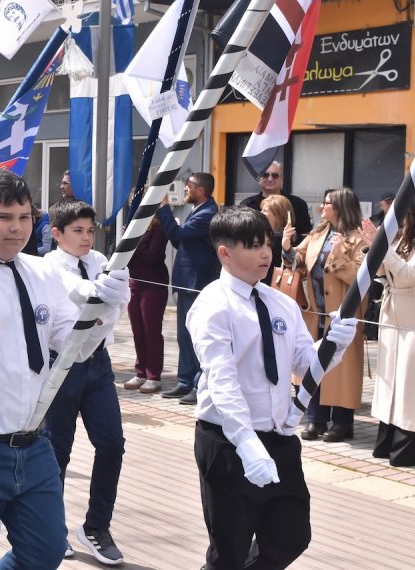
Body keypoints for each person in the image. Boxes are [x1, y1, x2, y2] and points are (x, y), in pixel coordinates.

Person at [0, 170, 129, 570]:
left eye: (25, 217)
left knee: (45, 552)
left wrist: (108, 311)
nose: (16, 228)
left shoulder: (43, 273)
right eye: (3, 217)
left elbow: (74, 348)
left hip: (34, 445)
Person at [189, 206, 358, 570]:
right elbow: (222, 379)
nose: (265, 254)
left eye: (267, 243)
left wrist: (333, 344)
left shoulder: (281, 303)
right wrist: (246, 442)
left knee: (291, 534)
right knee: (229, 550)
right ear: (225, 253)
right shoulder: (213, 306)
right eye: (252, 246)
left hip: (278, 436)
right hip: (227, 441)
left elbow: (303, 364)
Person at [44, 198, 128, 564]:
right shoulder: (46, 266)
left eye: (90, 231)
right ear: (57, 233)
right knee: (57, 452)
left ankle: (97, 526)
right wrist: (100, 300)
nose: (86, 238)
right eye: (77, 231)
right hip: (61, 367)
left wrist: (105, 307)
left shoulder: (103, 262)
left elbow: (119, 303)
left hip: (98, 365)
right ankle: (52, 528)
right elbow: (78, 293)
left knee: (112, 443)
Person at [360, 190, 415, 467]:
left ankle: (412, 441)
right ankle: (387, 437)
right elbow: (385, 272)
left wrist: (381, 246)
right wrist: (373, 250)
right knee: (390, 375)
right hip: (393, 307)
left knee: (414, 378)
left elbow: (408, 275)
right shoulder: (399, 236)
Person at [282, 187, 366, 443]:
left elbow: (359, 277)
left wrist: (339, 254)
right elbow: (298, 259)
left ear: (339, 206)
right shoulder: (318, 233)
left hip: (343, 313)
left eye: (326, 203)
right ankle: (316, 418)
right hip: (314, 310)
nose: (321, 207)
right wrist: (287, 247)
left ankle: (342, 422)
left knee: (341, 370)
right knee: (313, 361)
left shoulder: (358, 238)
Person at [156, 172, 221, 404]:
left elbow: (178, 234)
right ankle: (185, 380)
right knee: (184, 336)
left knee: (196, 336)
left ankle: (197, 383)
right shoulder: (196, 211)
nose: (184, 189)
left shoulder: (208, 213)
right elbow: (180, 240)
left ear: (200, 190)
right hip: (187, 282)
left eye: (188, 185)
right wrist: (175, 227)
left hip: (198, 284)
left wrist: (164, 207)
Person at [124, 214, 169, 393]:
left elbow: (153, 257)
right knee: (137, 330)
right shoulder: (134, 226)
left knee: (151, 331)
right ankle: (140, 372)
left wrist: (133, 243)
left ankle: (153, 376)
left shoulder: (158, 227)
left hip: (154, 284)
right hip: (135, 283)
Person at [239, 162, 313, 245]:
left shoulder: (298, 204)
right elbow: (240, 234)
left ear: (281, 179)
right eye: (265, 175)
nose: (270, 179)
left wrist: (291, 242)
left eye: (275, 175)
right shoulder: (246, 205)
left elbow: (306, 235)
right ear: (259, 178)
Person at [260, 194, 295, 284]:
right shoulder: (288, 238)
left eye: (265, 210)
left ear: (277, 216)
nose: (260, 213)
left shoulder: (275, 240)